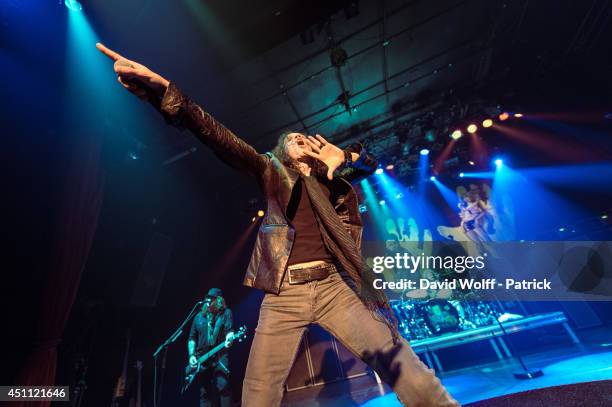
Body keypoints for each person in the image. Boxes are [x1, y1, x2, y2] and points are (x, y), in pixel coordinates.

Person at [96, 43, 459, 407]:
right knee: (259, 392)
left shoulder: (329, 180)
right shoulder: (270, 169)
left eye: (305, 137)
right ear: (282, 151)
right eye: (293, 138)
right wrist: (165, 89)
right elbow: (217, 135)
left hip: (333, 286)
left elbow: (370, 164)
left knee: (400, 360)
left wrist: (346, 156)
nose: (301, 139)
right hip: (284, 293)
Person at [187, 288, 233, 407]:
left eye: (211, 298)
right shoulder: (198, 317)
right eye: (207, 297)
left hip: (219, 356)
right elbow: (192, 338)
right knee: (205, 393)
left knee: (223, 387)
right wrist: (191, 355)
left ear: (218, 300)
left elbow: (230, 331)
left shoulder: (226, 313)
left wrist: (230, 339)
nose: (207, 300)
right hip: (202, 358)